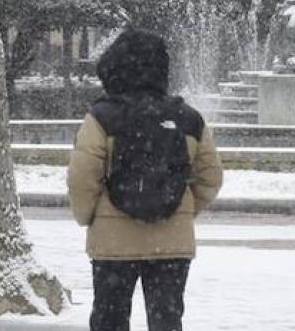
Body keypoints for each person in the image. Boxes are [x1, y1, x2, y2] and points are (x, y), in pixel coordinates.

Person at [68, 29, 225, 331]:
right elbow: (211, 177)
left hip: (112, 244)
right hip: (172, 245)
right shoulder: (188, 118)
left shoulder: (101, 117)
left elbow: (82, 177)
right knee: (167, 321)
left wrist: (90, 216)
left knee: (109, 320)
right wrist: (183, 209)